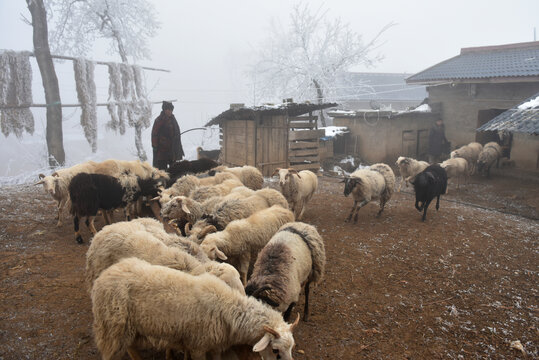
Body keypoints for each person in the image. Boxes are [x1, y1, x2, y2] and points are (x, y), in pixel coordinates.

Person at [151, 101, 184, 170]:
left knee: (174, 170)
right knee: (162, 171)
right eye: (168, 109)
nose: (169, 111)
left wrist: (176, 138)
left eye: (171, 110)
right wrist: (155, 146)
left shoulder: (173, 119)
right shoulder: (159, 120)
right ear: (164, 110)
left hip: (172, 150)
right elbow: (154, 134)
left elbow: (176, 132)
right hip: (162, 150)